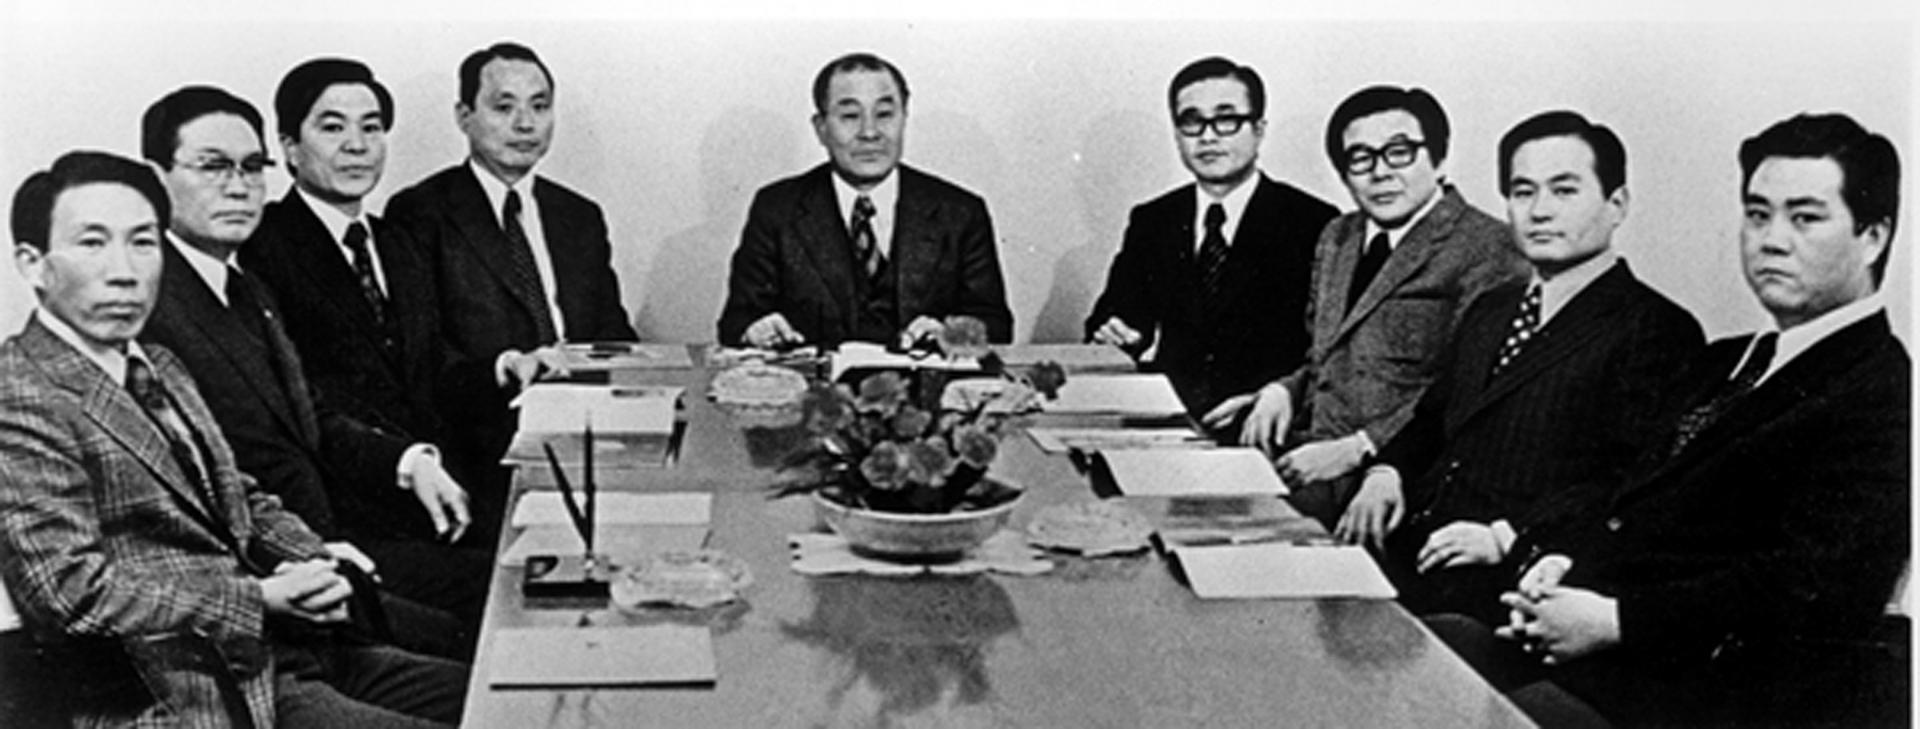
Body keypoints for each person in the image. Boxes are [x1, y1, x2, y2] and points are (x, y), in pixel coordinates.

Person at [1432, 112, 1909, 727]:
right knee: (1431, 648)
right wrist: (1557, 557)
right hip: (1604, 642)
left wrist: (1615, 621)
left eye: (1805, 218)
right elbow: (1628, 492)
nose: (1771, 240)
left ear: (1872, 237)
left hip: (1706, 690)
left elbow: (1812, 584)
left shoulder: (1884, 392)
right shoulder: (1728, 358)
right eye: (1757, 214)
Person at [0, 149, 465, 728]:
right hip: (180, 693)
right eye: (93, 243)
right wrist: (259, 600)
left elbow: (236, 495)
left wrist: (315, 558)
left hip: (282, 653)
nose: (125, 271)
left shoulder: (159, 364)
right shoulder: (20, 395)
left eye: (143, 242)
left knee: (511, 699)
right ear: (33, 264)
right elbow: (69, 593)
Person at [135, 86, 488, 651]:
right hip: (274, 574)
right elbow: (196, 484)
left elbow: (310, 418)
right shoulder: (149, 305)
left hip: (325, 541)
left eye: (252, 167)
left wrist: (410, 462)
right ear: (155, 180)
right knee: (477, 629)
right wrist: (306, 553)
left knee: (506, 589)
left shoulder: (243, 287)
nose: (239, 186)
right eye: (213, 166)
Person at [1337, 111, 1702, 617]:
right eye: (1522, 191)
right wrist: (1387, 471)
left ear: (1617, 204)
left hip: (1510, 582)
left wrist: (1504, 536)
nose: (1539, 211)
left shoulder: (1655, 327)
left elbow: (1628, 484)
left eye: (1564, 190)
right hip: (1408, 548)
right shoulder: (1493, 307)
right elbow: (1432, 418)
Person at [1203, 85, 1527, 526]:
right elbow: (1325, 358)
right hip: (1305, 461)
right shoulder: (1338, 236)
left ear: (1439, 159)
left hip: (1397, 485)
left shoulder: (1491, 249)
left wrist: (1361, 448)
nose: (1380, 172)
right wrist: (1283, 391)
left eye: (1399, 153)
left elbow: (1463, 398)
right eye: (1360, 158)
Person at [384, 41, 636, 529]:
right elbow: (425, 357)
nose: (526, 124)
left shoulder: (578, 214)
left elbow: (613, 332)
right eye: (504, 107)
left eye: (540, 107)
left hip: (589, 438)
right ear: (464, 117)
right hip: (485, 450)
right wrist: (506, 367)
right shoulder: (421, 212)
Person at [1083, 57, 1338, 416]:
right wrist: (1118, 333)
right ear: (1177, 134)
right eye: (1191, 121)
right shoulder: (1155, 219)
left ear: (1259, 130)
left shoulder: (1313, 221)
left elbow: (1329, 352)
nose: (1208, 136)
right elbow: (1112, 318)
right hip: (1171, 419)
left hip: (1269, 422)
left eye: (1226, 119)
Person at [717, 51, 1014, 350]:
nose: (870, 133)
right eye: (850, 116)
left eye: (884, 115)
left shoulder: (960, 212)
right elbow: (735, 322)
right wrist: (755, 330)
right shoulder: (777, 209)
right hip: (821, 381)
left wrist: (950, 335)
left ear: (904, 119)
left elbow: (997, 326)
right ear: (821, 128)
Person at [241, 58, 448, 469]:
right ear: (290, 147)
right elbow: (292, 402)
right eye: (333, 127)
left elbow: (432, 370)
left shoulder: (400, 242)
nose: (357, 145)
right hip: (336, 484)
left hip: (433, 476)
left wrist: (507, 365)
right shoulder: (260, 244)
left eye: (371, 127)